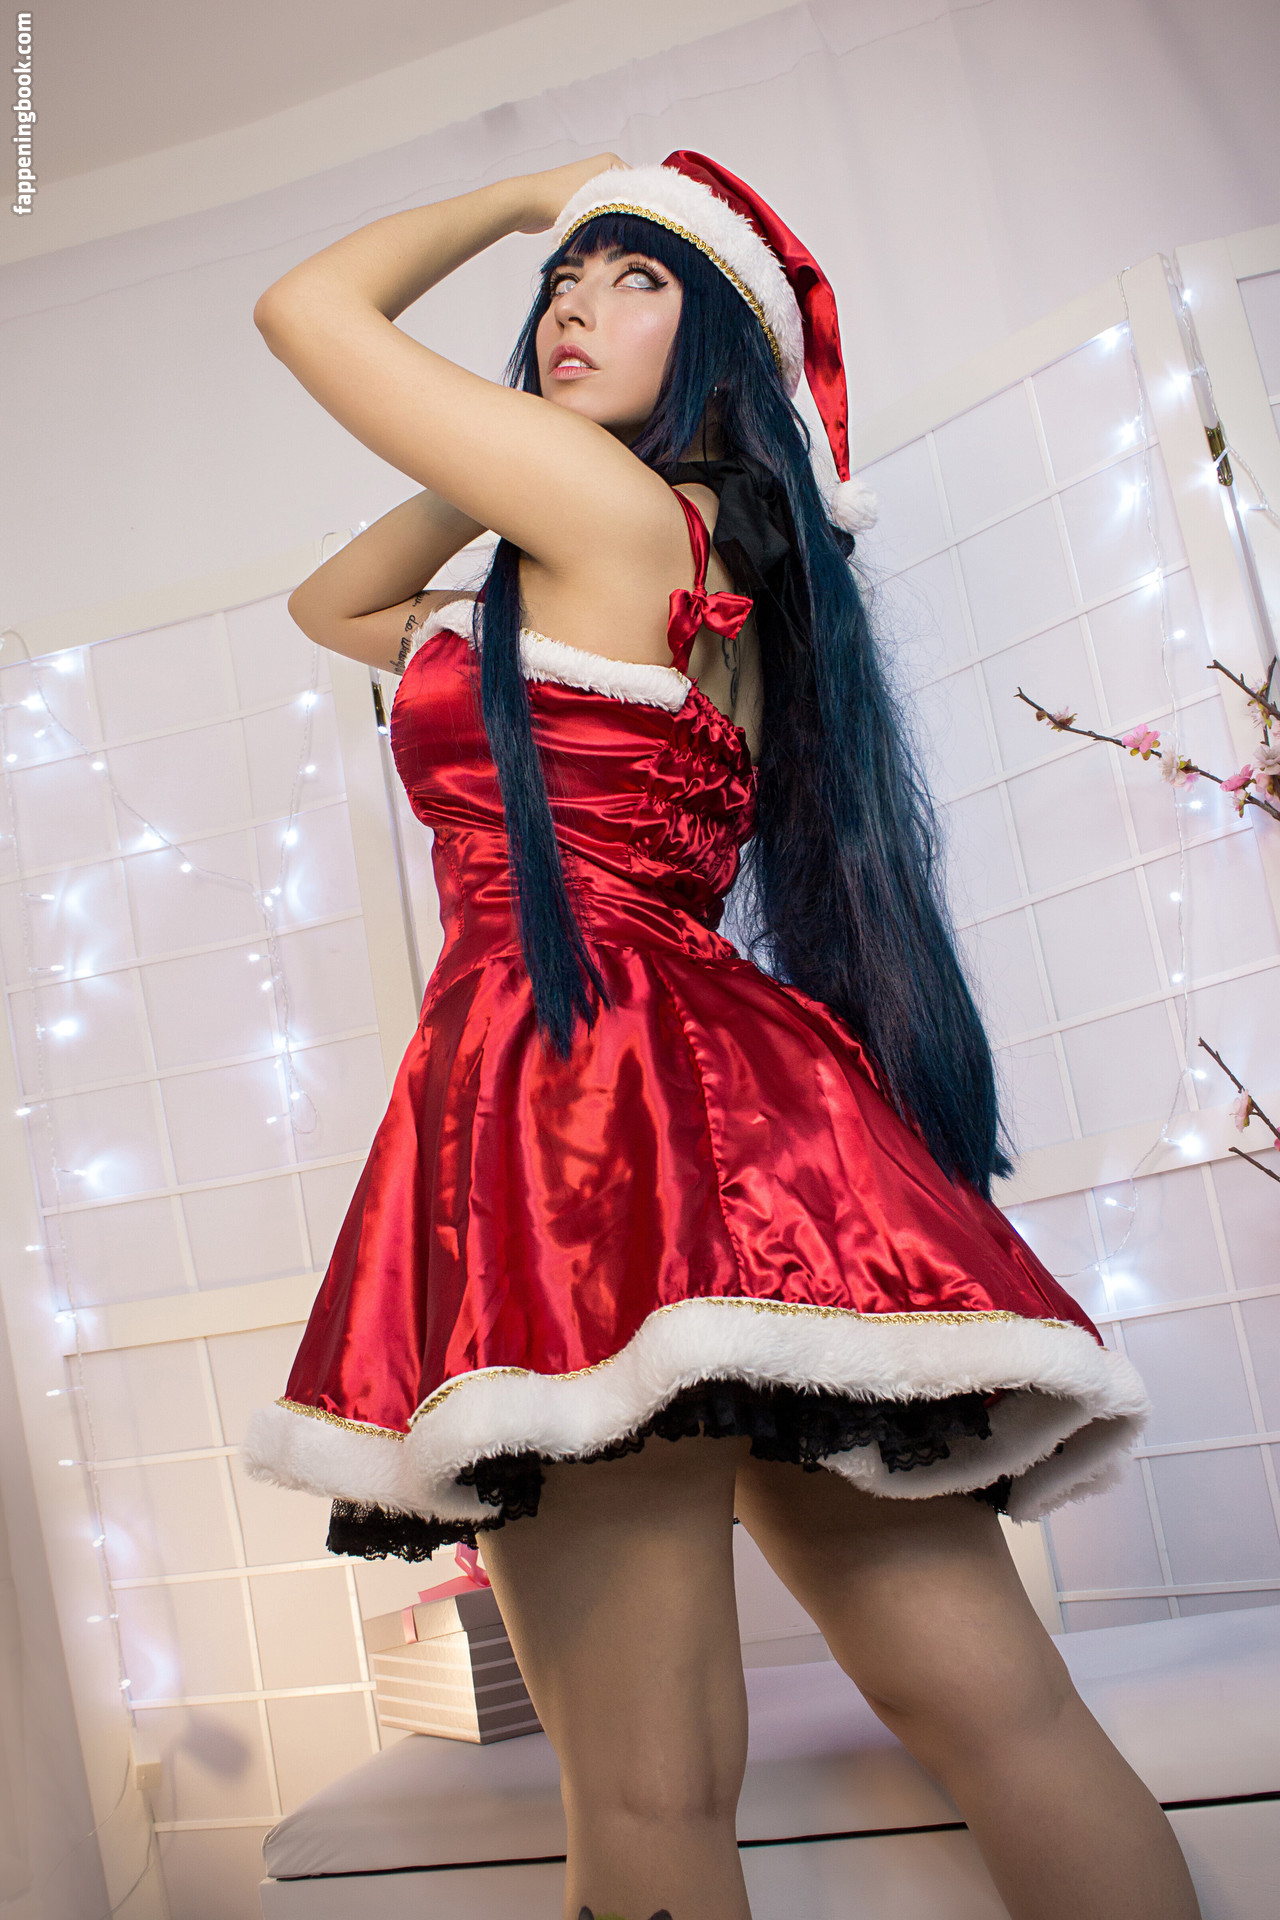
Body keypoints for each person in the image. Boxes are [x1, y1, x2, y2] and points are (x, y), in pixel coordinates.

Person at [243, 151, 1199, 1920]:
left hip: (572, 1113)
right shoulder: (676, 550)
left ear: (723, 349)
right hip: (756, 1120)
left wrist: (519, 202)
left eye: (636, 280)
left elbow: (303, 310)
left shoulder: (613, 523)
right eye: (563, 282)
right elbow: (340, 610)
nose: (573, 305)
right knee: (1002, 1715)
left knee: (645, 1786)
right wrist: (509, 446)